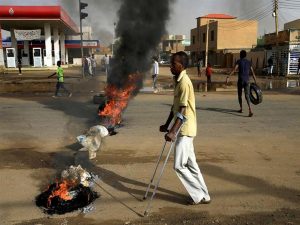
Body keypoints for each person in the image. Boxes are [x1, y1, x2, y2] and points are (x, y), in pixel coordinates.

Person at [159, 51, 210, 205]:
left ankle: (198, 195)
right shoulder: (178, 80)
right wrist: (167, 125)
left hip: (185, 129)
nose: (170, 67)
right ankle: (205, 196)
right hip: (181, 128)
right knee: (191, 165)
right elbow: (174, 108)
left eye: (173, 64)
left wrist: (173, 132)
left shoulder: (184, 82)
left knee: (179, 166)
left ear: (181, 65)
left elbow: (182, 110)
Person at [228, 50, 257, 117]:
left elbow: (234, 69)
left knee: (240, 95)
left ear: (240, 55)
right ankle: (250, 110)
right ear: (245, 55)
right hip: (247, 81)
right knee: (247, 96)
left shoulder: (239, 61)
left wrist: (228, 76)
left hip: (241, 80)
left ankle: (241, 108)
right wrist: (255, 80)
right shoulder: (249, 62)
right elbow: (252, 72)